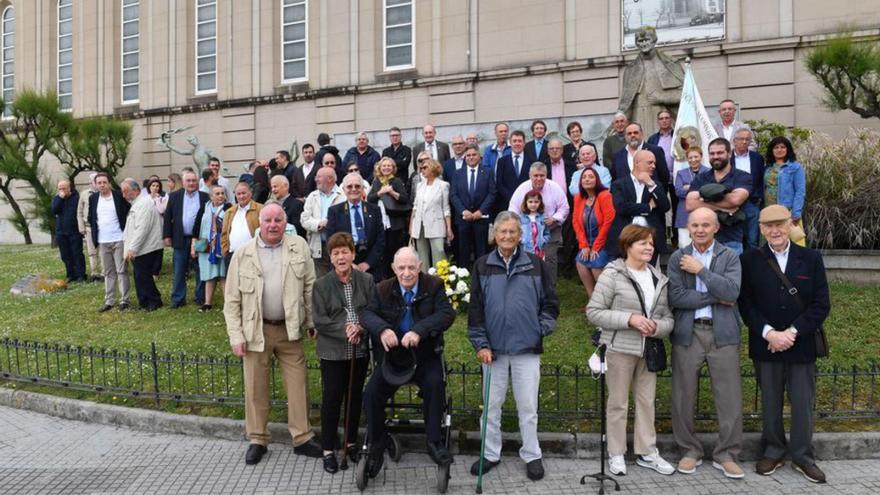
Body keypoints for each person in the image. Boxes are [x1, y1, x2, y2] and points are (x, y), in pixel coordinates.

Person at [224, 202, 323, 466]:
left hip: (290, 330)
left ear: (285, 222)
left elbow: (310, 289)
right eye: (267, 220)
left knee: (298, 385)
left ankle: (302, 437)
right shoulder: (243, 254)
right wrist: (236, 336)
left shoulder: (298, 246)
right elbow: (232, 300)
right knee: (255, 388)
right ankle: (258, 439)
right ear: (260, 222)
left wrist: (312, 322)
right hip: (256, 331)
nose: (272, 225)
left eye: (278, 220)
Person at [739, 205, 830, 484]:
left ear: (791, 225)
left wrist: (791, 332)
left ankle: (803, 456)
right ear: (762, 229)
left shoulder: (811, 258)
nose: (775, 231)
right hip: (766, 344)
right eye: (769, 226)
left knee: (802, 403)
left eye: (780, 224)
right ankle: (774, 450)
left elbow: (821, 304)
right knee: (770, 401)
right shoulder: (750, 259)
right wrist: (769, 333)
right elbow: (746, 303)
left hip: (800, 343)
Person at [467, 211, 560, 481]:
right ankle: (490, 453)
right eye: (502, 231)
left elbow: (551, 305)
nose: (507, 236)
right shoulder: (483, 265)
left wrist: (538, 330)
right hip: (492, 350)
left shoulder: (535, 264)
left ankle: (532, 454)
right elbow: (476, 310)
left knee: (528, 407)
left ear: (520, 236)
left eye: (512, 232)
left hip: (526, 348)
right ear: (494, 235)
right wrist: (480, 344)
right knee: (492, 405)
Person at [586, 224, 675, 477]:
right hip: (619, 347)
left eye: (651, 242)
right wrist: (630, 319)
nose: (649, 247)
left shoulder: (660, 278)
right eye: (643, 243)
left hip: (650, 349)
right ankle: (616, 453)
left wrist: (656, 327)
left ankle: (647, 451)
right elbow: (594, 312)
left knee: (647, 402)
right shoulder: (612, 274)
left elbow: (668, 317)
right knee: (618, 403)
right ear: (628, 246)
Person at [360, 247, 457, 477]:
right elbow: (367, 314)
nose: (406, 273)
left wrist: (419, 330)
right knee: (371, 394)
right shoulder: (382, 289)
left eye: (411, 267)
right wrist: (382, 330)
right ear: (394, 269)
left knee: (435, 385)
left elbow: (446, 314)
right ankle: (377, 444)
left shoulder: (433, 286)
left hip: (424, 356)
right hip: (393, 358)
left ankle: (434, 442)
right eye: (401, 268)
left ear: (420, 267)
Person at [667, 207, 744, 478]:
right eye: (695, 225)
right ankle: (690, 450)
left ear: (716, 228)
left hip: (723, 333)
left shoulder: (730, 256)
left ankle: (727, 454)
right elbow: (676, 298)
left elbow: (732, 291)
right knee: (682, 395)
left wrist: (701, 271)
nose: (699, 230)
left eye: (705, 225)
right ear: (688, 227)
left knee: (729, 396)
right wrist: (715, 296)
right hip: (688, 333)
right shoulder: (678, 257)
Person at [311, 232, 376, 474]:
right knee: (332, 398)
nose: (341, 257)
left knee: (354, 396)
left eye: (345, 252)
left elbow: (372, 310)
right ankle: (328, 449)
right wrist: (344, 329)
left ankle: (349, 444)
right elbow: (320, 320)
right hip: (333, 351)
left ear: (353, 254)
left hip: (358, 350)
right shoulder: (321, 285)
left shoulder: (366, 280)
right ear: (330, 257)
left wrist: (360, 326)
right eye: (336, 253)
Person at [686, 137, 752, 255]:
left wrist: (703, 199)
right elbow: (690, 204)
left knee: (730, 273)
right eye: (712, 153)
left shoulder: (742, 177)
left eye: (720, 152)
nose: (715, 156)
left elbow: (735, 200)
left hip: (731, 239)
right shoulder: (701, 178)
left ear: (729, 153)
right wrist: (723, 207)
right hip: (703, 241)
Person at [507, 162, 569, 285]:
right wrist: (520, 226)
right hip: (527, 230)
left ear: (546, 175)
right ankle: (527, 285)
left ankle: (549, 287)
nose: (539, 178)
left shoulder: (554, 187)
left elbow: (564, 207)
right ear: (530, 175)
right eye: (536, 175)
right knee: (526, 257)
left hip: (550, 227)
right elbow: (512, 209)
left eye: (542, 175)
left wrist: (555, 218)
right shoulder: (522, 188)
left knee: (549, 257)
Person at [607, 150, 670, 263]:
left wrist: (650, 184)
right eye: (650, 163)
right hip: (625, 237)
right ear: (637, 163)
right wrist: (648, 208)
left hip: (650, 238)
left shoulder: (656, 185)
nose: (654, 166)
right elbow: (621, 207)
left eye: (654, 163)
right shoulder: (619, 184)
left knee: (648, 275)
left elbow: (665, 207)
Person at [325, 173, 386, 281]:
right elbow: (331, 241)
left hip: (371, 264)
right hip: (343, 264)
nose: (354, 189)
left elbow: (380, 239)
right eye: (349, 186)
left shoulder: (374, 210)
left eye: (357, 186)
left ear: (363, 189)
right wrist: (349, 263)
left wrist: (368, 263)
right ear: (343, 189)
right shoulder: (334, 211)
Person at [164, 169, 209, 309]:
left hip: (200, 239)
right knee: (179, 269)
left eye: (193, 180)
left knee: (200, 268)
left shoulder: (205, 197)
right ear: (183, 182)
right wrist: (167, 235)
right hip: (180, 238)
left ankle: (201, 297)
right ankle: (178, 299)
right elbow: (167, 217)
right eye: (188, 181)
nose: (191, 183)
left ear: (197, 181)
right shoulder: (174, 196)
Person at [89, 172, 132, 312]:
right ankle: (109, 300)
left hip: (119, 238)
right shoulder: (93, 198)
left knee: (122, 270)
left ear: (109, 183)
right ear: (95, 184)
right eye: (99, 183)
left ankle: (124, 300)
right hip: (103, 240)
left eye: (104, 182)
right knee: (108, 272)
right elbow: (92, 217)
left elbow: (128, 210)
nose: (102, 185)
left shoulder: (118, 196)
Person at [121, 178, 164, 311]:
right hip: (142, 247)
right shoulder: (138, 203)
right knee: (140, 275)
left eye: (125, 191)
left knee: (143, 275)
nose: (123, 195)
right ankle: (144, 301)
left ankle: (154, 301)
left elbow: (142, 228)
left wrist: (133, 248)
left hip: (146, 247)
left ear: (135, 190)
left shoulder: (144, 203)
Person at [450, 144, 496, 268]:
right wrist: (463, 211)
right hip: (463, 218)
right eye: (468, 155)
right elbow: (453, 195)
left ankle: (481, 274)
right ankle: (463, 277)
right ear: (465, 158)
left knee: (481, 251)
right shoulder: (457, 173)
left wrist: (481, 211)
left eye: (474, 155)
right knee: (463, 250)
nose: (471, 157)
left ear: (479, 156)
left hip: (481, 218)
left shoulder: (487, 172)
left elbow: (492, 193)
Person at [573, 168, 614, 302]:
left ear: (597, 180)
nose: (587, 179)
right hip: (587, 241)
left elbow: (609, 221)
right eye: (584, 177)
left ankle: (605, 300)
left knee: (596, 263)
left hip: (604, 241)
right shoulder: (579, 197)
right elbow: (576, 222)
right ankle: (592, 299)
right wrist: (584, 245)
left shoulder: (604, 195)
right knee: (581, 262)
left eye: (591, 177)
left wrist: (596, 247)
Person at [368, 157, 410, 276]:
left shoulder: (396, 181)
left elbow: (405, 199)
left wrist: (392, 192)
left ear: (393, 168)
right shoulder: (376, 181)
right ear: (379, 168)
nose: (386, 168)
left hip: (394, 222)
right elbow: (370, 199)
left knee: (394, 251)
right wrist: (380, 192)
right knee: (382, 252)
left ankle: (396, 275)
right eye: (384, 166)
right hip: (381, 223)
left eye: (389, 166)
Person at [301, 166, 346, 277]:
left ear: (330, 179)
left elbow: (345, 219)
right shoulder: (312, 196)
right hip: (318, 246)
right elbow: (304, 219)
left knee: (340, 276)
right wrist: (319, 224)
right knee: (322, 280)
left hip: (339, 245)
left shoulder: (343, 196)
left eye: (319, 177)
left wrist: (329, 222)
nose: (316, 179)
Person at [409, 158, 452, 271]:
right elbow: (415, 207)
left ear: (433, 168)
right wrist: (411, 225)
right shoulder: (420, 186)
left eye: (425, 167)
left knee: (439, 253)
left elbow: (446, 208)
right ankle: (425, 282)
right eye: (421, 168)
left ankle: (441, 281)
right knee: (422, 256)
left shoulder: (443, 185)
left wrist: (449, 228)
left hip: (436, 224)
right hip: (419, 224)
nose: (421, 170)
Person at [763, 136, 806, 244]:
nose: (779, 150)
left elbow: (800, 191)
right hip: (768, 210)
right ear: (772, 150)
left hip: (787, 211)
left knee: (788, 242)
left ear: (788, 149)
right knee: (770, 241)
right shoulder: (768, 168)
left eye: (782, 147)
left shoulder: (795, 167)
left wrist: (796, 212)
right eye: (776, 147)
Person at [194, 185, 229, 312]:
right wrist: (194, 245)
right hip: (207, 246)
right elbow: (197, 226)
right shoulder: (205, 207)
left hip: (223, 245)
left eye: (222, 193)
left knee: (223, 275)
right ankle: (207, 303)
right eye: (217, 193)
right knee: (209, 275)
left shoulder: (229, 207)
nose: (220, 196)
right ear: (211, 196)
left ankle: (228, 304)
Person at [731, 128, 765, 250]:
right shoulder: (727, 158)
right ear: (735, 141)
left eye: (747, 139)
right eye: (741, 139)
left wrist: (758, 197)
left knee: (752, 239)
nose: (744, 142)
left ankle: (752, 266)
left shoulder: (757, 158)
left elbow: (761, 179)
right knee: (735, 239)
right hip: (732, 204)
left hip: (752, 203)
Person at [221, 182, 262, 268]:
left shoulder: (260, 209)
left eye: (244, 193)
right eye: (238, 194)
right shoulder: (230, 212)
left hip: (253, 255)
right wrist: (225, 251)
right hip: (232, 255)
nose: (241, 196)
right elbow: (224, 233)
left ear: (250, 193)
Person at [674, 148, 710, 248]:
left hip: (704, 213)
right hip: (684, 214)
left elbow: (709, 191)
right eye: (690, 157)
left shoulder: (709, 172)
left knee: (704, 245)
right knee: (684, 245)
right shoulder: (681, 173)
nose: (693, 160)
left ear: (701, 157)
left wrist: (688, 187)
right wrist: (699, 189)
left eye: (696, 157)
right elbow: (678, 192)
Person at [52, 180, 86, 283]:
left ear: (69, 188)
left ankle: (81, 274)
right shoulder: (57, 199)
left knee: (77, 254)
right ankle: (71, 274)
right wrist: (60, 199)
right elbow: (54, 210)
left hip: (74, 231)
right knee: (65, 255)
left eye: (64, 188)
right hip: (61, 232)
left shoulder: (76, 198)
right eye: (60, 189)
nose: (62, 190)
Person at [495, 130, 530, 215]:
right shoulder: (502, 161)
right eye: (514, 141)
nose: (517, 143)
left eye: (520, 141)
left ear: (524, 143)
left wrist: (524, 199)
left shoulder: (531, 160)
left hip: (527, 204)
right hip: (507, 203)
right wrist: (513, 198)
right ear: (510, 143)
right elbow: (499, 183)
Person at [77, 173, 103, 282]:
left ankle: (104, 273)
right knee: (92, 251)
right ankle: (94, 273)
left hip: (101, 226)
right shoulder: (84, 194)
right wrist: (81, 227)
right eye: (93, 180)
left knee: (102, 251)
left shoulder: (104, 193)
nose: (96, 183)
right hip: (89, 227)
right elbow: (79, 211)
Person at [518, 191, 551, 259]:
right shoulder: (520, 218)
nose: (533, 204)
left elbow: (547, 233)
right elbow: (517, 231)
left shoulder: (543, 218)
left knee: (538, 268)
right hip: (524, 251)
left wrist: (543, 240)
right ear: (526, 203)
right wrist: (520, 239)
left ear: (540, 203)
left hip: (539, 252)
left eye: (536, 202)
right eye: (530, 202)